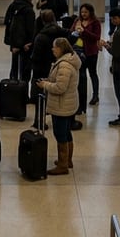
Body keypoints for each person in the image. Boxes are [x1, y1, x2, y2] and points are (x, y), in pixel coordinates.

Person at [37, 37, 82, 176]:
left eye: (54, 47)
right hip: (69, 103)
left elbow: (60, 87)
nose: (52, 49)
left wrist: (45, 85)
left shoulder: (64, 65)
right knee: (66, 132)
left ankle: (63, 165)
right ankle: (67, 160)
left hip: (62, 105)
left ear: (61, 49)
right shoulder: (69, 61)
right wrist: (48, 80)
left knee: (60, 134)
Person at [31, 9, 72, 96]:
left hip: (42, 67)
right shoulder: (63, 33)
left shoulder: (40, 36)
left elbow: (36, 56)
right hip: (58, 65)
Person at [72, 3, 103, 108]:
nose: (83, 14)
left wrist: (84, 31)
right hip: (79, 51)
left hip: (91, 52)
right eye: (82, 12)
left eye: (85, 12)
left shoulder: (95, 23)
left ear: (90, 12)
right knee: (81, 74)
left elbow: (96, 37)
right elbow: (71, 32)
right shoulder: (77, 21)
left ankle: (95, 95)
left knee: (93, 73)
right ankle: (81, 96)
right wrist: (76, 32)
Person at [3, 0, 37, 82]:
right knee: (25, 71)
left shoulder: (14, 4)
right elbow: (30, 29)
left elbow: (7, 22)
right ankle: (23, 92)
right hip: (25, 44)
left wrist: (12, 43)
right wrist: (30, 42)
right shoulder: (29, 10)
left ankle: (13, 90)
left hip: (14, 43)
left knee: (14, 69)